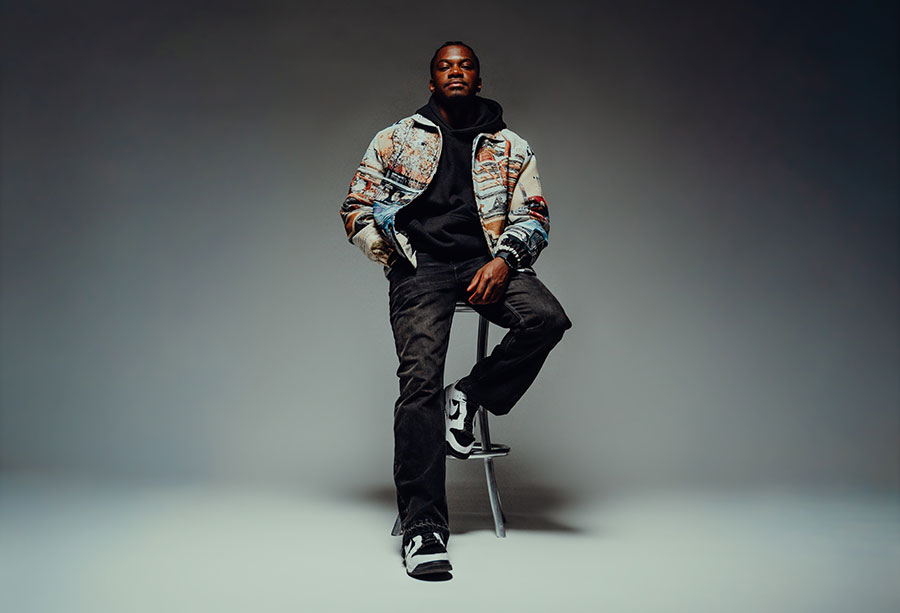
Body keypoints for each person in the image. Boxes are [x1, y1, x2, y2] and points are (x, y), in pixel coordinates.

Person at [340, 41, 571, 577]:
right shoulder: (397, 138)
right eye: (445, 67)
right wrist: (390, 256)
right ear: (432, 82)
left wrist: (505, 261)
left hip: (484, 261)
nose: (456, 72)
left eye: (465, 66)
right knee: (419, 381)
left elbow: (534, 216)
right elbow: (355, 205)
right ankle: (423, 526)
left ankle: (466, 396)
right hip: (420, 265)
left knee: (546, 319)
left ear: (479, 80)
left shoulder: (511, 146)